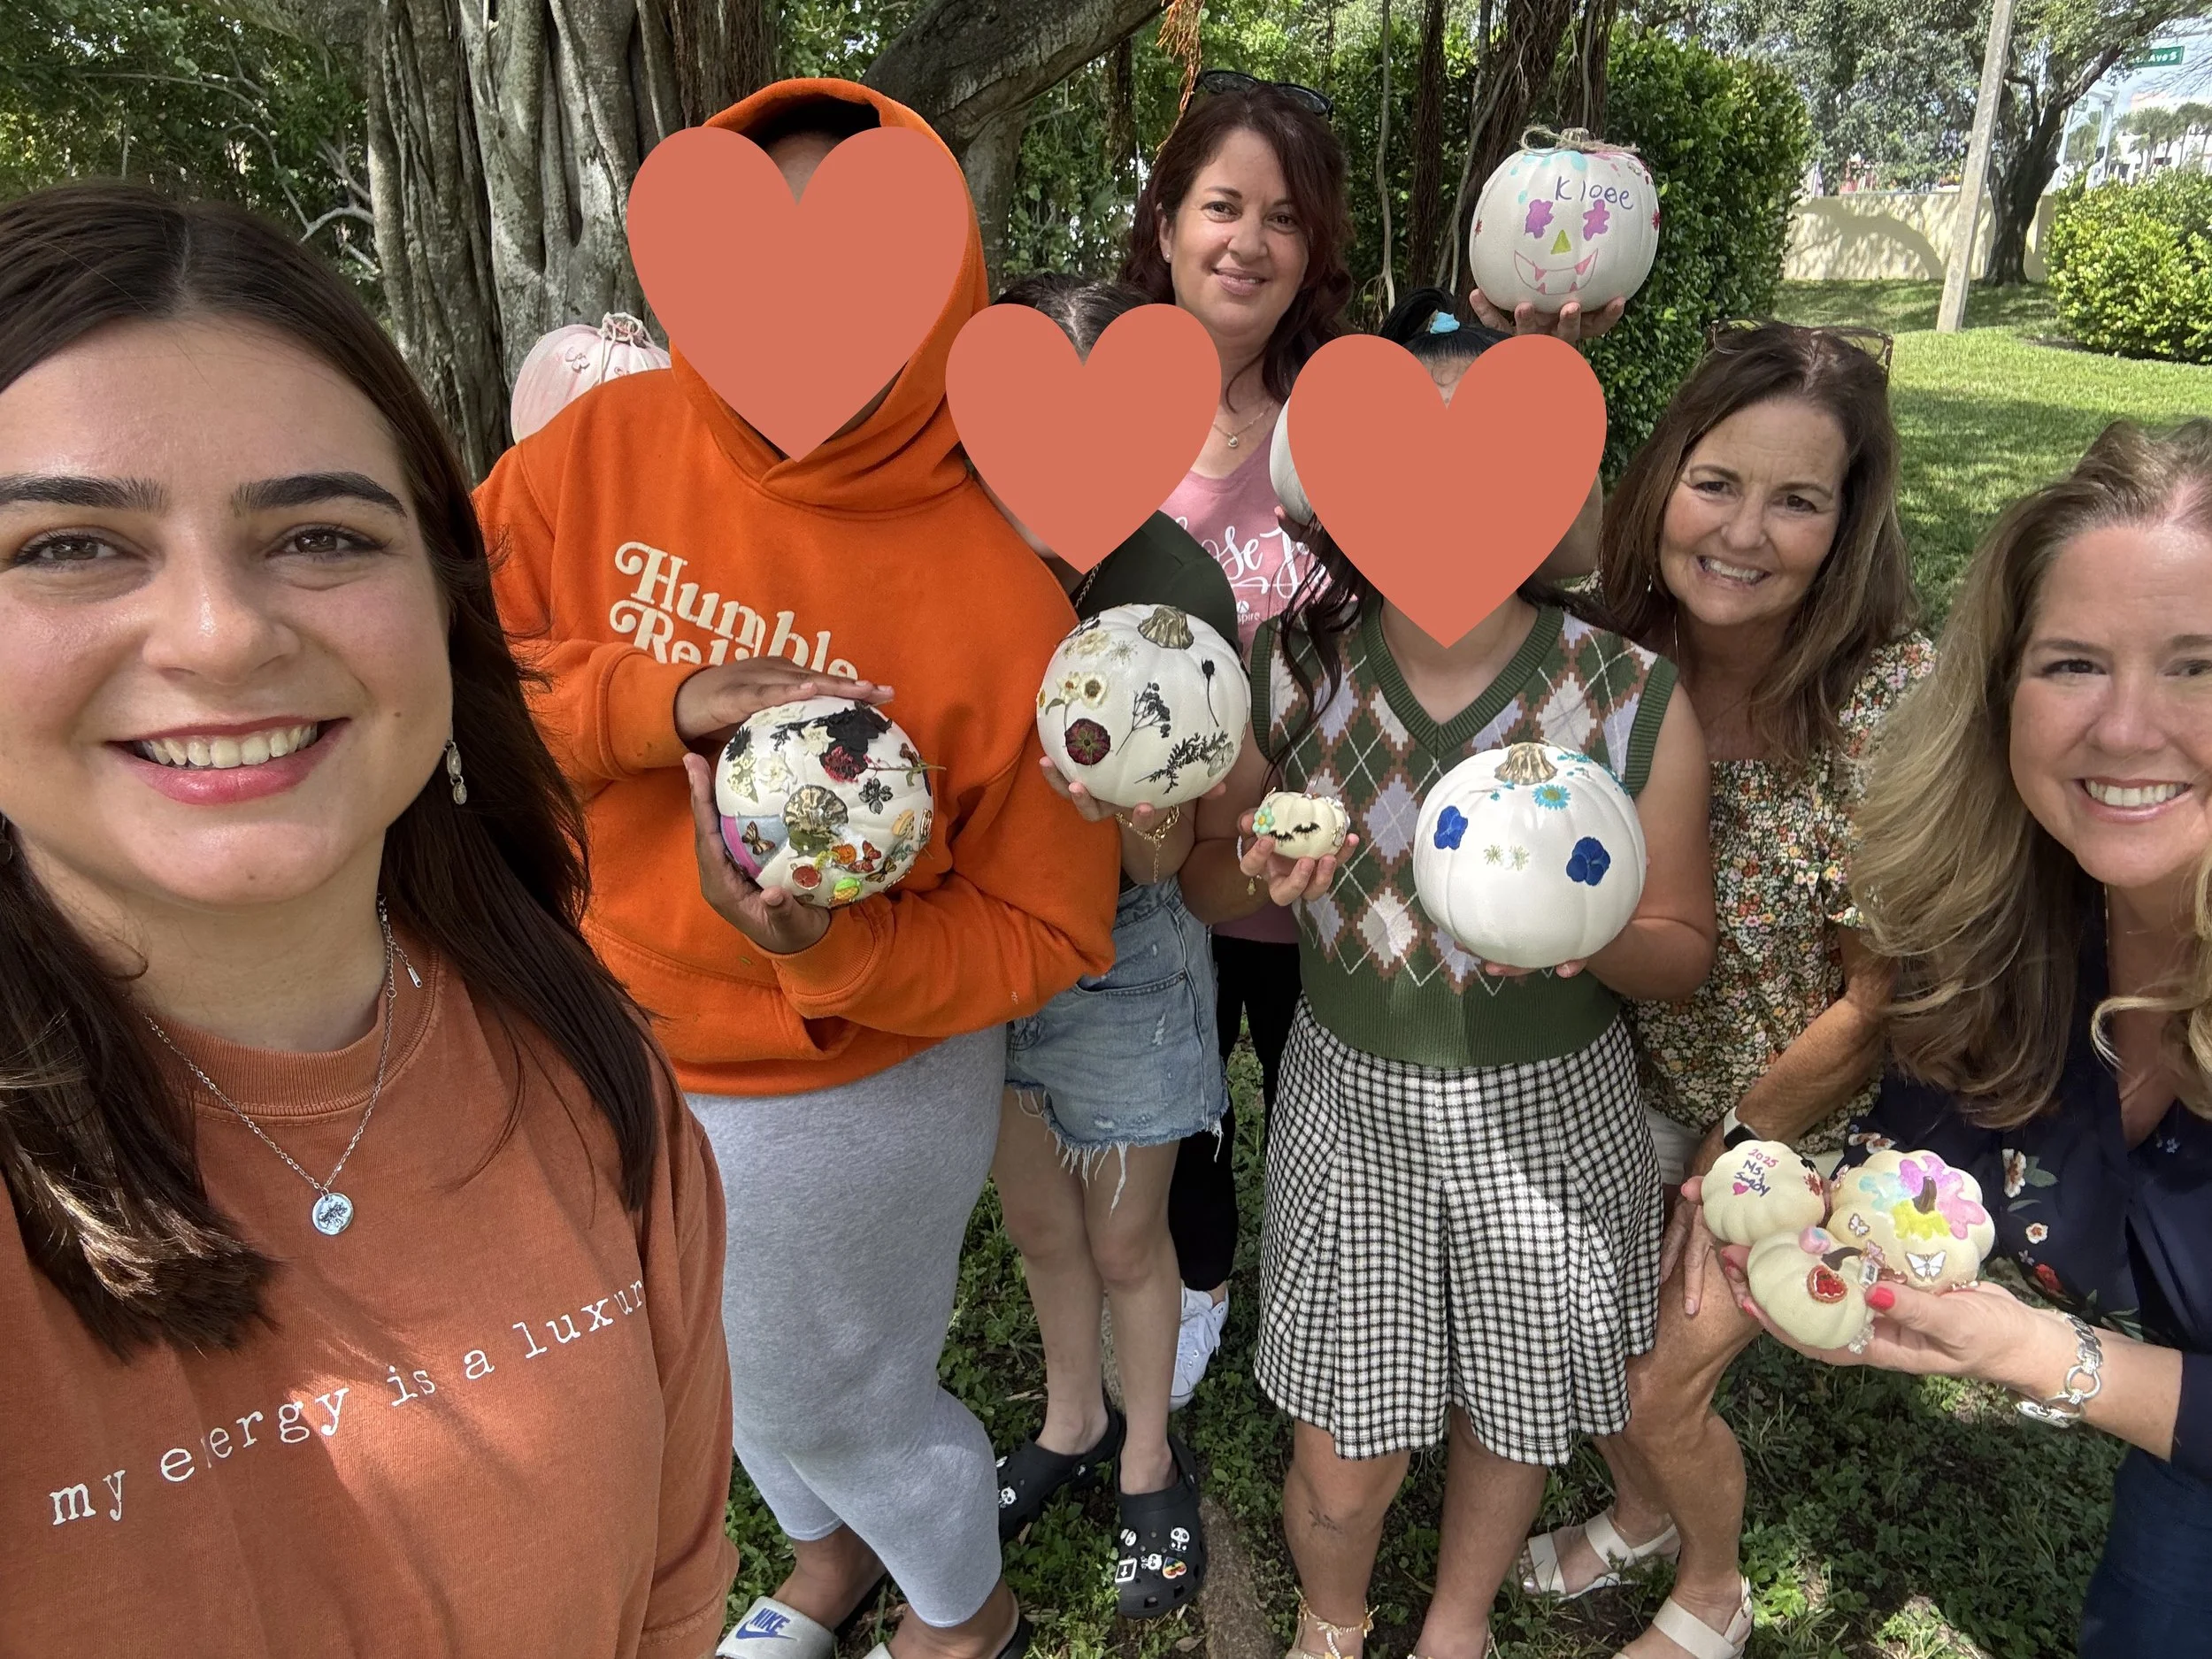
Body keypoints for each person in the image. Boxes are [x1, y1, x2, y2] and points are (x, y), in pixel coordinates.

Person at [0, 184, 735, 1656]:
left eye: (322, 535)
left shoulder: (595, 1075)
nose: (220, 633)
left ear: (449, 623)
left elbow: (669, 1599)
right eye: (71, 545)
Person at [477, 80, 1119, 1659]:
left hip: (838, 1082)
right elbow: (444, 661)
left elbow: (1045, 924)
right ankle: (826, 1558)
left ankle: (968, 1613)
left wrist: (831, 954)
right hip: (598, 1015)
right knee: (695, 1358)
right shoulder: (593, 457)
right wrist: (651, 702)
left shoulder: (1000, 596)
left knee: (831, 1383)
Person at [1182, 288, 1717, 1659]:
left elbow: (1682, 951)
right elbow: (1209, 881)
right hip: (1353, 1106)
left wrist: (1573, 925)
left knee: (1514, 1400)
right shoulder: (1292, 674)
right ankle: (1333, 1616)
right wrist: (1259, 866)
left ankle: (1455, 1625)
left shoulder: (1627, 694)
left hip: (1552, 1110)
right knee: (1343, 1459)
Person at [1719, 419, 2212, 1659]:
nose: (2126, 727)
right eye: (2073, 664)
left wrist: (2046, 1354)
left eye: (2200, 664)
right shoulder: (2006, 919)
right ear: (2002, 693)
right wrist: (1819, 1210)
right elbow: (1928, 1143)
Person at [1516, 321, 1932, 1659]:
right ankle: (1640, 1515)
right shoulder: (1616, 651)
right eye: (1717, 482)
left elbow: (1879, 1003)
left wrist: (1734, 1146)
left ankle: (1711, 1585)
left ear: (1848, 523)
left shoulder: (1887, 703)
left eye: (1799, 499)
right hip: (1628, 1072)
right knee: (1575, 1330)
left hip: (1802, 1108)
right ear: (1664, 484)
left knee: (1650, 1380)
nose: (1745, 531)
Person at [978, 273, 1240, 1617]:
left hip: (1127, 943)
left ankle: (1146, 1452)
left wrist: (1130, 820)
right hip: (979, 941)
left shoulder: (1173, 581)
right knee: (1036, 1214)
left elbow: (1177, 846)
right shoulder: (950, 542)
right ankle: (1070, 1419)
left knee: (1131, 1234)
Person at [1119, 71, 1356, 1400]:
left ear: (1312, 250)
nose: (1247, 241)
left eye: (1283, 216)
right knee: (1183, 1110)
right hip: (1167, 874)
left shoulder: (1347, 413)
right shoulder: (1092, 412)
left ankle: (1332, 1311)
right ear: (1166, 223)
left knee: (1325, 1114)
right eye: (1221, 205)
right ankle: (1197, 1287)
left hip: (1330, 871)